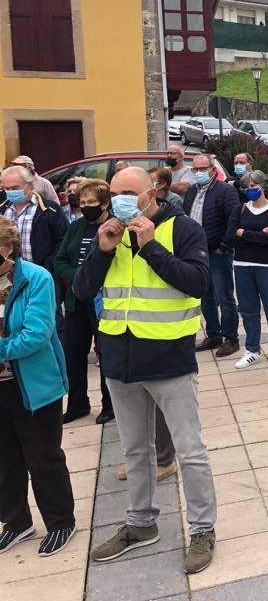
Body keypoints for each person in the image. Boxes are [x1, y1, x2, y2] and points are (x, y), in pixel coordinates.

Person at [75, 166, 217, 574]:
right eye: (114, 192)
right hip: (119, 359)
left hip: (169, 358)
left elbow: (198, 283)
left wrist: (152, 246)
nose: (118, 199)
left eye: (128, 192)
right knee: (135, 450)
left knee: (190, 451)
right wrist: (102, 251)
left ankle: (203, 528)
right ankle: (140, 523)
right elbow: (82, 291)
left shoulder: (183, 228)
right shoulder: (107, 232)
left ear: (153, 191)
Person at [0, 216, 78, 557]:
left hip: (32, 384)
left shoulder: (35, 279)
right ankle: (16, 522)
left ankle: (61, 521)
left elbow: (36, 333)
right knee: (4, 459)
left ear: (6, 248)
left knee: (43, 456)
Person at [53, 178, 114, 424]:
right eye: (82, 202)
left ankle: (109, 405)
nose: (85, 206)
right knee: (73, 353)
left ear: (105, 203)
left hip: (103, 301)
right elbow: (60, 260)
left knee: (106, 354)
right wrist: (78, 277)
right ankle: (77, 403)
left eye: (91, 202)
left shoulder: (114, 227)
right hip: (77, 299)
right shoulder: (76, 227)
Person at [225, 172, 268, 370]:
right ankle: (252, 350)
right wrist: (259, 235)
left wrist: (244, 233)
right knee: (248, 311)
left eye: (254, 184)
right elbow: (229, 238)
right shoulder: (239, 210)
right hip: (242, 265)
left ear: (263, 186)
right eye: (246, 186)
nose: (250, 188)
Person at [183, 155, 241, 359]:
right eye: (195, 169)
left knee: (224, 297)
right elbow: (185, 218)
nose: (198, 172)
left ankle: (231, 339)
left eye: (202, 168)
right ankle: (213, 335)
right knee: (205, 297)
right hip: (197, 254)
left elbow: (234, 220)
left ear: (212, 169)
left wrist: (225, 246)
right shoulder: (191, 191)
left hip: (218, 252)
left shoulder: (225, 191)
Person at [0, 165, 69, 275]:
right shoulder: (2, 210)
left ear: (30, 185)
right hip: (7, 277)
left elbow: (64, 241)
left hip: (42, 274)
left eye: (15, 188)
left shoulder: (50, 209)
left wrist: (49, 266)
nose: (11, 192)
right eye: (7, 189)